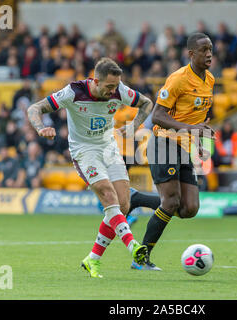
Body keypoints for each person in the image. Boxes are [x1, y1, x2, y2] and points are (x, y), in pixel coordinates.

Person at [27, 57, 153, 278]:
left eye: (116, 86)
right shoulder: (73, 92)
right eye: (109, 87)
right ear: (96, 80)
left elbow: (147, 103)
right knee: (107, 194)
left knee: (122, 206)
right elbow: (34, 108)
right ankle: (133, 246)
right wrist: (40, 128)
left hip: (109, 148)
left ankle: (92, 259)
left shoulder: (119, 90)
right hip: (84, 152)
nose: (114, 91)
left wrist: (134, 125)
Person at [137, 33, 215, 270]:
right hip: (163, 142)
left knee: (189, 208)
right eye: (203, 50)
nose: (209, 54)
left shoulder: (210, 79)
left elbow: (196, 117)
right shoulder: (178, 79)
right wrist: (192, 128)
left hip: (184, 146)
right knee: (171, 202)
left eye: (211, 49)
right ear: (191, 54)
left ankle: (136, 199)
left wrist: (198, 140)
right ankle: (141, 258)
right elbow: (158, 116)